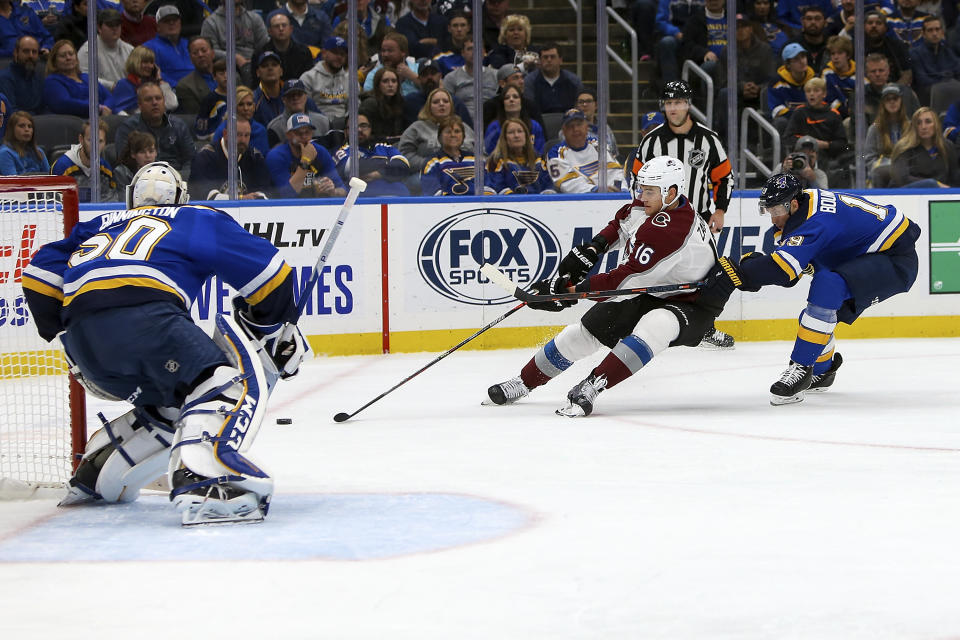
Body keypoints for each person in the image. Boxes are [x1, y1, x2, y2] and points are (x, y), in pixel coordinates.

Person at [21, 160, 309, 525]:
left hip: (84, 348)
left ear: (131, 198)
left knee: (179, 401)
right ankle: (207, 479)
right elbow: (271, 275)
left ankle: (101, 469)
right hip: (146, 320)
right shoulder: (194, 216)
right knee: (224, 384)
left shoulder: (94, 227)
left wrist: (67, 337)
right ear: (181, 197)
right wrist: (274, 331)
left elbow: (37, 276)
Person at [485, 156, 737, 417]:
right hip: (657, 287)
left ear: (671, 192)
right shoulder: (659, 202)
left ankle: (593, 385)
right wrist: (594, 249)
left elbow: (623, 280)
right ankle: (523, 382)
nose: (642, 196)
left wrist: (568, 291)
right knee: (581, 334)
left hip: (693, 302)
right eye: (642, 189)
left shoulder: (670, 229)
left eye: (649, 191)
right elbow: (623, 223)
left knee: (657, 325)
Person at [731, 173, 920, 405]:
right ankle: (823, 371)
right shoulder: (805, 204)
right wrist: (755, 271)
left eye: (776, 211)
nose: (773, 219)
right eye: (769, 211)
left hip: (894, 259)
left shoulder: (814, 222)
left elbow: (783, 271)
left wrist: (742, 267)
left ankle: (801, 368)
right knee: (814, 318)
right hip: (865, 254)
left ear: (793, 204)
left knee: (827, 286)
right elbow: (790, 274)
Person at [629, 80, 734, 349]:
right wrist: (643, 213)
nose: (673, 108)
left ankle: (705, 327)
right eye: (669, 103)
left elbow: (724, 178)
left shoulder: (708, 139)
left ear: (688, 104)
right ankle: (638, 325)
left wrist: (720, 210)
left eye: (678, 102)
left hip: (698, 223)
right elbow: (636, 181)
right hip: (660, 223)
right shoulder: (651, 141)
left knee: (704, 278)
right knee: (651, 273)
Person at [114, 81, 195, 175]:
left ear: (164, 102)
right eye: (148, 99)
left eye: (158, 98)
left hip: (176, 178)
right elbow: (124, 162)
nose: (154, 103)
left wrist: (180, 178)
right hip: (141, 179)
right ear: (139, 105)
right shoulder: (128, 128)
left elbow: (191, 159)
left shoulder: (179, 126)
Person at [781, 77, 849, 185]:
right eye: (808, 91)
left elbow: (842, 144)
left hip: (826, 155)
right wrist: (806, 144)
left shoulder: (833, 114)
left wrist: (825, 144)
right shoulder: (799, 112)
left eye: (816, 91)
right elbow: (787, 138)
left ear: (824, 94)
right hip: (801, 155)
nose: (812, 94)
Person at [266, 112, 346, 198]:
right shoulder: (276, 156)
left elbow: (343, 190)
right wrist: (305, 161)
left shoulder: (320, 152)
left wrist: (333, 191)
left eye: (307, 132)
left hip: (315, 205)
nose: (304, 136)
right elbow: (287, 194)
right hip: (283, 208)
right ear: (288, 135)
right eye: (298, 133)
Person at [190, 118, 272, 200]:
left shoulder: (255, 157)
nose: (243, 140)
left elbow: (264, 192)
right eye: (238, 135)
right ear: (225, 134)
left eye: (247, 135)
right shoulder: (206, 156)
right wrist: (240, 198)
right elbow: (204, 194)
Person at [333, 112, 412, 196]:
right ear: (346, 132)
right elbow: (360, 167)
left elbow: (403, 165)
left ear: (370, 129)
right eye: (353, 126)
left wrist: (378, 174)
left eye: (363, 126)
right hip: (364, 202)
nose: (359, 130)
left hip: (400, 198)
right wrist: (388, 165)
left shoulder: (384, 147)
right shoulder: (342, 152)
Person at [398, 87, 475, 172]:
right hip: (427, 173)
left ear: (451, 105)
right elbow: (404, 155)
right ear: (428, 107)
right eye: (436, 102)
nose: (441, 104)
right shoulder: (416, 128)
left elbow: (482, 153)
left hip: (465, 172)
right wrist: (430, 165)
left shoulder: (464, 127)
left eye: (446, 101)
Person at [547, 107, 621, 193]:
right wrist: (595, 190)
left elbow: (615, 172)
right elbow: (568, 184)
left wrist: (621, 190)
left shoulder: (598, 145)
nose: (575, 129)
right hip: (578, 202)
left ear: (586, 127)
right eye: (570, 126)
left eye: (579, 124)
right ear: (564, 131)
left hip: (610, 198)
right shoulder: (555, 153)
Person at [51, 119, 121, 202]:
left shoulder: (106, 169)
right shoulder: (62, 166)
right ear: (81, 139)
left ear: (105, 143)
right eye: (90, 140)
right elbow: (53, 202)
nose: (95, 146)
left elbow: (111, 202)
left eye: (100, 141)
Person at [889, 106, 960, 187]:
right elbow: (901, 178)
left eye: (928, 122)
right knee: (931, 184)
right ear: (914, 127)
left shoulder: (947, 146)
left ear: (936, 125)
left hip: (939, 196)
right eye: (918, 123)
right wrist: (936, 185)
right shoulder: (904, 147)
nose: (923, 127)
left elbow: (955, 177)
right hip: (906, 194)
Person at [43, 39, 113, 117]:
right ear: (54, 61)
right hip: (76, 122)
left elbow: (108, 96)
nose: (68, 58)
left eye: (71, 54)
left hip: (102, 117)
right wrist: (97, 108)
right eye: (63, 56)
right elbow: (64, 103)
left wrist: (105, 108)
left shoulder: (86, 77)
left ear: (76, 57)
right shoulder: (52, 81)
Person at [485, 117, 553, 195]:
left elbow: (548, 186)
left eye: (520, 131)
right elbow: (496, 187)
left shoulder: (539, 160)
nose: (516, 135)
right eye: (511, 132)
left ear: (526, 136)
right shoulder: (495, 161)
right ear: (505, 138)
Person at [201, 1, 269, 79]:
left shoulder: (254, 18)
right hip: (225, 68)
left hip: (254, 64)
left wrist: (253, 60)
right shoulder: (211, 22)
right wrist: (234, 58)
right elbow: (211, 51)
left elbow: (265, 45)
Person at [300, 36, 359, 121]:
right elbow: (305, 107)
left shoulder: (350, 79)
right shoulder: (309, 77)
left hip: (344, 123)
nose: (339, 57)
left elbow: (354, 107)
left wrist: (346, 121)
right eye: (335, 52)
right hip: (316, 122)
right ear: (324, 53)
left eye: (342, 54)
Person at [107, 45, 179, 115]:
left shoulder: (156, 84)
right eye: (145, 62)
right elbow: (118, 111)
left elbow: (172, 104)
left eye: (151, 62)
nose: (150, 66)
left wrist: (159, 79)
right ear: (135, 62)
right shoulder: (124, 85)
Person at [403, 59, 473, 127]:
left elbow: (469, 132)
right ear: (419, 78)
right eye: (425, 74)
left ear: (440, 76)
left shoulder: (455, 102)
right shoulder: (409, 101)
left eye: (433, 73)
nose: (429, 77)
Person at [420, 115, 479, 196]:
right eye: (448, 132)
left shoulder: (475, 160)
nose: (453, 135)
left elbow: (487, 188)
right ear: (439, 137)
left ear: (463, 136)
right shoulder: (432, 163)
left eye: (457, 131)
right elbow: (433, 194)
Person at [78, 9, 134, 91]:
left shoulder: (130, 49)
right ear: (99, 28)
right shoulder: (88, 50)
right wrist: (111, 86)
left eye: (117, 25)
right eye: (110, 25)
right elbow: (84, 78)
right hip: (100, 96)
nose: (114, 28)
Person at [865, 84, 909, 187]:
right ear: (883, 103)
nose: (892, 102)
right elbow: (869, 158)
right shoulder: (875, 128)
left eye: (895, 98)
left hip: (906, 172)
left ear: (901, 101)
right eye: (887, 99)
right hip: (882, 174)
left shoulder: (910, 127)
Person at [910, 15, 960, 105]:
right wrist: (946, 79)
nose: (934, 33)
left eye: (937, 29)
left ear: (942, 32)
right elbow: (922, 80)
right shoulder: (915, 53)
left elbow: (958, 70)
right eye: (930, 30)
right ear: (923, 34)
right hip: (928, 96)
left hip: (950, 91)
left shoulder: (948, 50)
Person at [255, 10, 317, 82]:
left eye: (284, 25)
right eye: (276, 26)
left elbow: (308, 80)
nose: (281, 29)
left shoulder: (304, 52)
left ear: (291, 29)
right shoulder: (260, 53)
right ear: (270, 31)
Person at [768, 42, 815, 135]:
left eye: (803, 57)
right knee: (780, 122)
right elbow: (777, 110)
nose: (802, 61)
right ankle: (784, 149)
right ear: (788, 64)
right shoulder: (777, 82)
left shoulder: (815, 80)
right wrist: (801, 114)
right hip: (789, 121)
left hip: (813, 119)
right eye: (796, 59)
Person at [442, 35, 498, 113]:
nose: (474, 52)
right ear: (462, 53)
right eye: (470, 49)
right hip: (462, 121)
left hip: (491, 120)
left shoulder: (496, 75)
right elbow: (446, 106)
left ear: (484, 52)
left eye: (478, 48)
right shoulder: (451, 78)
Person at [209, 86, 271, 157]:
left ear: (254, 107)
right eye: (241, 104)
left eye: (249, 104)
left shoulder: (261, 131)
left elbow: (262, 160)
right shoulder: (222, 130)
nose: (246, 108)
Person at [522, 42, 583, 115]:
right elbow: (529, 109)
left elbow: (579, 108)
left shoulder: (574, 81)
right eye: (545, 57)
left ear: (560, 60)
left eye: (553, 57)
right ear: (540, 61)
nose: (549, 60)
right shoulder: (529, 81)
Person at [266, 78, 330, 147]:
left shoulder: (323, 122)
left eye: (299, 94)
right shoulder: (275, 127)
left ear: (306, 97)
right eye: (291, 95)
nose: (295, 98)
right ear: (283, 99)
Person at [142, 4, 193, 89]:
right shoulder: (148, 48)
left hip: (197, 88)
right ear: (158, 26)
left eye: (175, 20)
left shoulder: (189, 44)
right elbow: (152, 74)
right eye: (166, 20)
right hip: (170, 91)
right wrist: (180, 87)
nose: (171, 23)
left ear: (180, 23)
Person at [484, 84, 544, 155]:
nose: (511, 100)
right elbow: (490, 152)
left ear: (521, 102)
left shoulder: (535, 126)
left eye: (515, 97)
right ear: (503, 103)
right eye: (507, 98)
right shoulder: (494, 127)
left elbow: (540, 151)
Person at [562, 88, 619, 162]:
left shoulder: (605, 127)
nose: (585, 105)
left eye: (588, 101)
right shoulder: (569, 129)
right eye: (581, 102)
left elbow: (615, 153)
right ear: (576, 106)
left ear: (596, 105)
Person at [863, 52, 919, 126]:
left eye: (881, 70)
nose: (877, 74)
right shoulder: (860, 96)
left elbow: (918, 121)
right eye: (873, 71)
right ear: (867, 74)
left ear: (888, 71)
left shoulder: (906, 93)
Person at [679, 0, 727, 80]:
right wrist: (704, 53)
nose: (713, 1)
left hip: (730, 62)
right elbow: (686, 45)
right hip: (704, 64)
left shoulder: (733, 19)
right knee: (711, 66)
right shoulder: (694, 20)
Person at [363, 31, 420, 96]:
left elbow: (430, 92)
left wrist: (412, 76)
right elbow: (368, 98)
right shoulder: (374, 74)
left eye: (390, 51)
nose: (385, 54)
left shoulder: (417, 69)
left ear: (403, 52)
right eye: (383, 51)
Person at [359, 67, 407, 143]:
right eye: (385, 81)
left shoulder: (400, 102)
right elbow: (365, 133)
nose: (390, 85)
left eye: (394, 81)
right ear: (378, 85)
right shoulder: (369, 104)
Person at [0, 36, 45, 114]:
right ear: (15, 53)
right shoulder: (4, 78)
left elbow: (43, 108)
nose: (30, 56)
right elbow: (11, 112)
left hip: (38, 122)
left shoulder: (38, 78)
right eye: (26, 51)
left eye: (34, 52)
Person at [176, 36, 217, 115]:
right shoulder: (185, 86)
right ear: (190, 58)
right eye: (195, 53)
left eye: (204, 50)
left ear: (213, 54)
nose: (200, 55)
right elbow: (197, 118)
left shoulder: (232, 76)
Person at [0, 110, 49, 174]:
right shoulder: (5, 153)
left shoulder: (39, 152)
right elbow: (13, 182)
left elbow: (50, 176)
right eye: (21, 126)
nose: (27, 129)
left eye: (30, 126)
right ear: (11, 129)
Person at [194, 57, 228, 138]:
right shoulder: (209, 99)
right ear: (214, 77)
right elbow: (201, 132)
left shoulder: (239, 95)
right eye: (221, 73)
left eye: (228, 72)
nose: (226, 76)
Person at [252, 51, 287, 127]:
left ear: (281, 71)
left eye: (274, 65)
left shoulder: (292, 96)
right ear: (258, 72)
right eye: (265, 66)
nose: (270, 68)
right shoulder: (252, 100)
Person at [434, 9, 471, 74]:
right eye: (455, 25)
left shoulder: (478, 52)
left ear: (468, 28)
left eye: (463, 25)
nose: (459, 29)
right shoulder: (439, 54)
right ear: (449, 28)